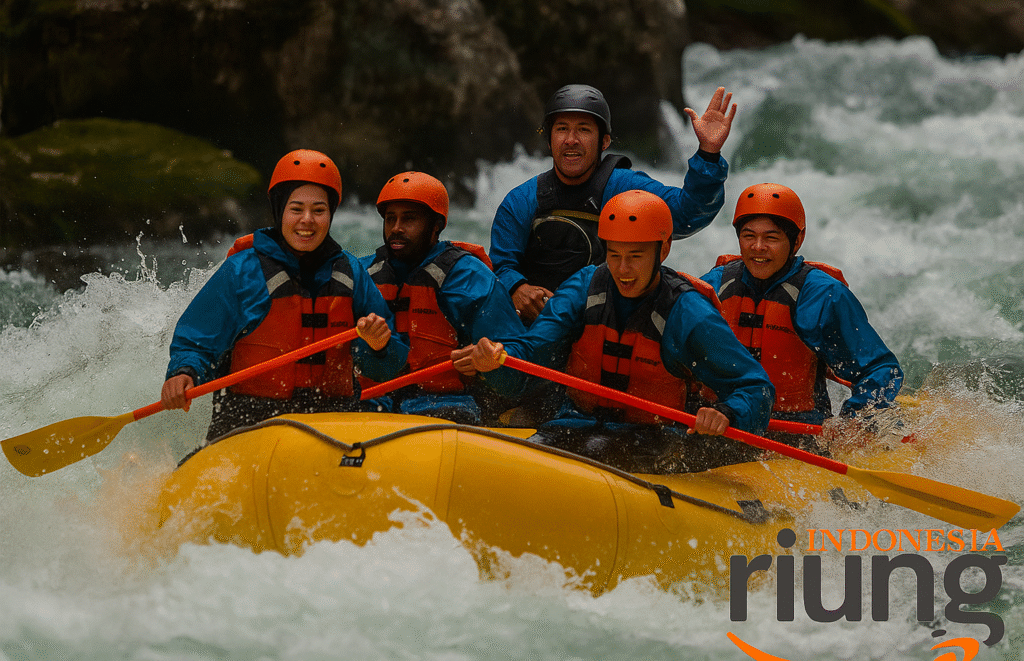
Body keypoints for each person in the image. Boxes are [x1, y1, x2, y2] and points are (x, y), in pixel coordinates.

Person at [459, 190, 775, 474]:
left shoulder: (688, 312)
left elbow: (756, 387)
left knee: (600, 450)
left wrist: (727, 413)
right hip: (575, 424)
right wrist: (497, 363)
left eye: (635, 257)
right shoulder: (584, 288)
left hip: (655, 439)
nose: (623, 270)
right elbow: (531, 357)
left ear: (662, 250)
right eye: (614, 255)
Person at [161, 149, 409, 440]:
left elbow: (391, 363)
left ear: (331, 214)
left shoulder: (350, 273)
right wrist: (183, 373)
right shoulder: (242, 271)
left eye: (319, 210)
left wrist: (379, 345)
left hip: (333, 420)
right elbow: (197, 341)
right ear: (280, 211)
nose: (308, 220)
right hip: (253, 419)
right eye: (296, 209)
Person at [489, 83, 737, 324]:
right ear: (549, 140)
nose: (571, 140)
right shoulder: (522, 200)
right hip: (543, 321)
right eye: (562, 129)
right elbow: (500, 265)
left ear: (604, 142)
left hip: (607, 322)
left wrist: (708, 153)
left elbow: (687, 214)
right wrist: (517, 287)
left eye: (584, 130)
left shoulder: (625, 189)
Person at [701, 183, 903, 443]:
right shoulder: (716, 284)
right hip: (719, 423)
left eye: (771, 238)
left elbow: (880, 368)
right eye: (748, 236)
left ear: (796, 240)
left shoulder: (823, 295)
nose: (757, 247)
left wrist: (856, 419)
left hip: (792, 434)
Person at [359, 171, 525, 424]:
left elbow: (516, 365)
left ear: (436, 225)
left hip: (447, 402)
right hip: (375, 399)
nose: (396, 228)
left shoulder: (470, 278)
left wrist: (489, 360)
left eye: (409, 219)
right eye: (390, 219)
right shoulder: (363, 272)